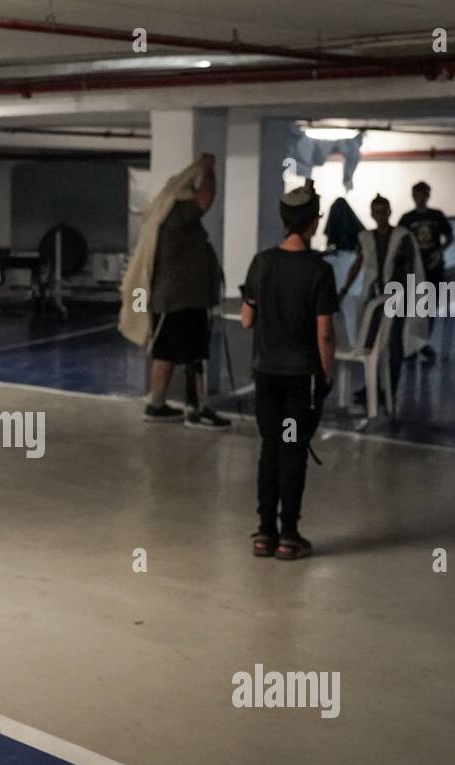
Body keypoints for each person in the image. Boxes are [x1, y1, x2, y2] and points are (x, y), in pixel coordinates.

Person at [240, 184, 338, 560]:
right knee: (293, 450)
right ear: (314, 222)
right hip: (302, 381)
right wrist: (327, 376)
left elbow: (248, 320)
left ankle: (263, 533)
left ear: (283, 219)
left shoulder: (261, 263)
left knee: (270, 449)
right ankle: (289, 535)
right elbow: (325, 333)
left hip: (267, 376)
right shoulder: (320, 271)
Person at [118, 153, 228, 429]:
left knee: (165, 353)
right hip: (184, 300)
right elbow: (206, 199)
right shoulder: (179, 213)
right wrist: (208, 170)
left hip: (168, 300)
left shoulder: (161, 217)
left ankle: (156, 405)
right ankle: (197, 410)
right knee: (195, 355)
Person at [338, 194, 427, 408]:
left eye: (383, 211)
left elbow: (410, 265)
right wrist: (344, 289)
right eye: (376, 212)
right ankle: (374, 388)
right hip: (373, 297)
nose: (380, 216)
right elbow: (359, 264)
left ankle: (390, 390)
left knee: (392, 343)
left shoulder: (402, 236)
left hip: (397, 298)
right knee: (371, 343)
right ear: (372, 214)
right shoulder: (365, 238)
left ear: (389, 212)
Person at [397, 181, 453, 362]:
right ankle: (412, 344)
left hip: (433, 266)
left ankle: (423, 343)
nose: (420, 198)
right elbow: (399, 242)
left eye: (423, 195)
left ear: (428, 196)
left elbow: (450, 236)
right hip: (414, 267)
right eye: (417, 195)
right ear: (413, 196)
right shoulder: (407, 219)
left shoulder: (437, 216)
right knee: (412, 307)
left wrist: (440, 252)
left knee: (429, 307)